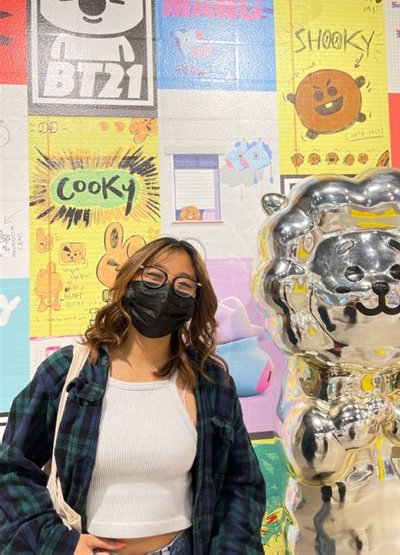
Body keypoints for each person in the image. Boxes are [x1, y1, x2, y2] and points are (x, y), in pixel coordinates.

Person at [0, 237, 266, 555]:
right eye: (154, 277)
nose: (167, 292)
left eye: (184, 286)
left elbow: (240, 486)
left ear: (196, 300)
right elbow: (11, 469)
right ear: (129, 281)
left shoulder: (209, 382)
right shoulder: (68, 372)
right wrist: (60, 543)